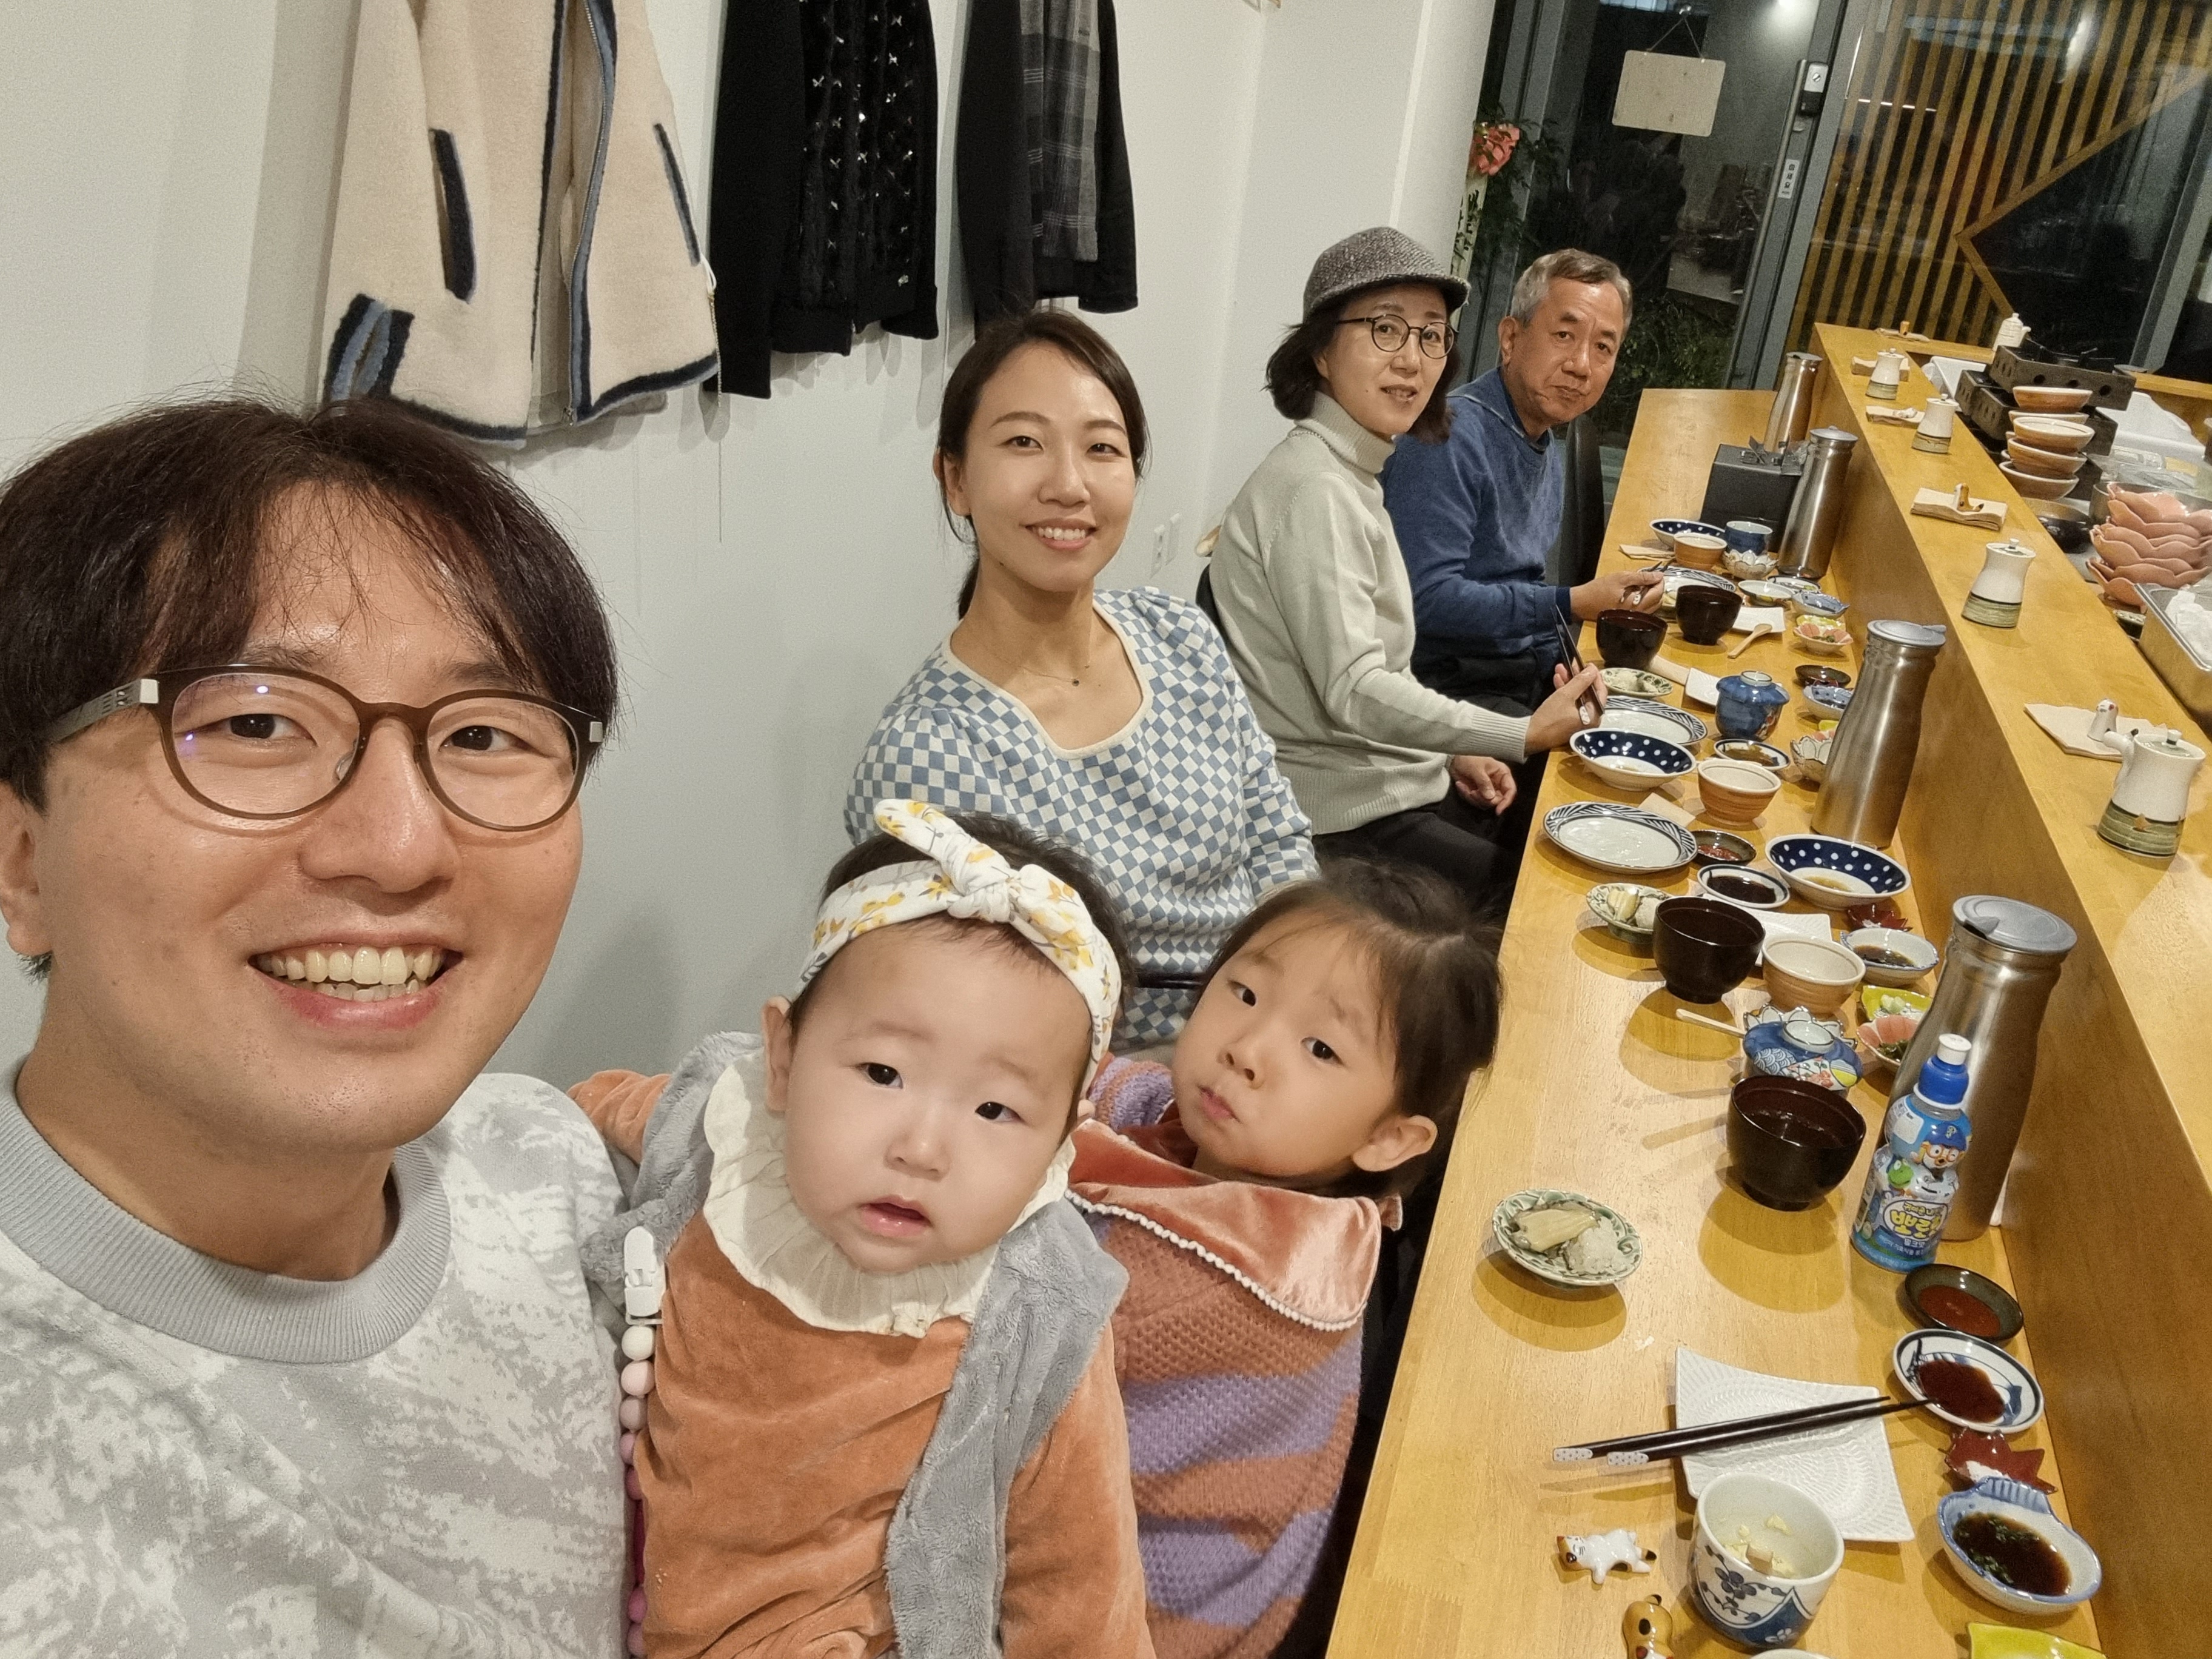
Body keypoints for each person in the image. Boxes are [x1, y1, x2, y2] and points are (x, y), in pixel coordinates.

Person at [0, 397, 629, 1654]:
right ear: (20, 859)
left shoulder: (560, 1182)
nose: (399, 847)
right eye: (254, 722)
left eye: (485, 733)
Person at [569, 802, 1152, 1658]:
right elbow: (602, 1105)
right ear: (781, 1060)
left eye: (996, 1110)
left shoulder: (1041, 1312)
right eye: (883, 1072)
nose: (921, 1150)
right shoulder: (718, 1130)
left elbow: (1082, 1584)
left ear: (1061, 1143)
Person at [1067, 859, 1500, 1659]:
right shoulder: (1308, 1183)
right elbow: (1139, 1091)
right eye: (1245, 992)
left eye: (1321, 1049)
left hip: (1147, 1623)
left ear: (1388, 1139)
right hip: (1266, 1590)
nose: (1248, 1050)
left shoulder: (1213, 1277)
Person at [848, 310, 1316, 1045]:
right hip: (1115, 1081)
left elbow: (1277, 837)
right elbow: (980, 1025)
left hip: (1274, 1021)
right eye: (1023, 443)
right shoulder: (926, 754)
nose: (1069, 486)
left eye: (1102, 447)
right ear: (955, 478)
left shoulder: (1179, 635)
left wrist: (1297, 992)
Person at [1208, 226, 1606, 911]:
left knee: (1560, 832)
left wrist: (1449, 754)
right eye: (1385, 330)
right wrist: (1520, 733)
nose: (1412, 360)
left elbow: (1373, 668)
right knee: (1547, 902)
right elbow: (1357, 690)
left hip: (1379, 783)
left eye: (1431, 336)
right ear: (1322, 351)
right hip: (1333, 820)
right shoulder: (1316, 489)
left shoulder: (1353, 470)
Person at [1383, 247, 1658, 716]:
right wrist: (1571, 603)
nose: (1582, 365)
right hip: (1443, 693)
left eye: (1603, 348)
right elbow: (1424, 602)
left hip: (1510, 673)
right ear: (1510, 338)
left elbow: (1523, 583)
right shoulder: (1448, 437)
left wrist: (1565, 666)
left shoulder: (1541, 437)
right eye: (1565, 335)